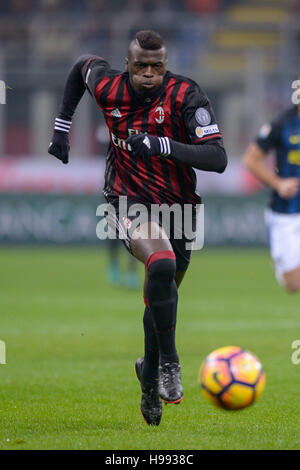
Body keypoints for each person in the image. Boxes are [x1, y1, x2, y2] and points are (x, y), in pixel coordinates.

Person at [48, 30, 227, 426]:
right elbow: (81, 67)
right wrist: (62, 127)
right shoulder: (108, 86)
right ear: (126, 65)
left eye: (157, 67)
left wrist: (162, 145)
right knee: (160, 265)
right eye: (141, 66)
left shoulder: (186, 95)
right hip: (124, 200)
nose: (149, 74)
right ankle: (170, 364)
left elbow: (218, 158)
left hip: (179, 208)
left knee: (161, 297)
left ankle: (148, 376)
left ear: (166, 66)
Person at [243, 96, 300, 294]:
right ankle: (283, 266)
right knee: (293, 285)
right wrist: (278, 184)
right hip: (287, 210)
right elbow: (251, 159)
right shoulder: (282, 123)